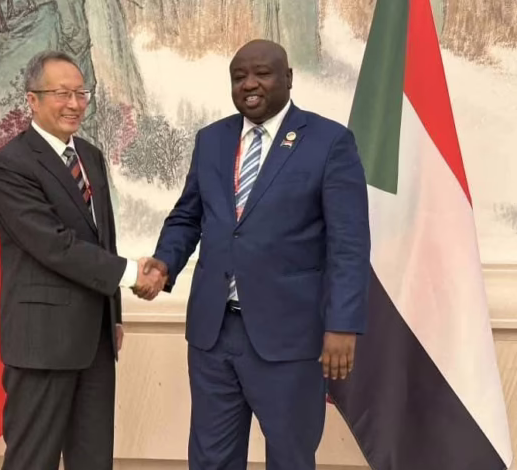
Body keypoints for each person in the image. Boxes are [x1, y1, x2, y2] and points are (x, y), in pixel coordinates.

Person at [141, 39, 371, 470]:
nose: (249, 84)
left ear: (288, 78)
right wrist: (165, 262)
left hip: (289, 337)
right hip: (213, 333)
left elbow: (349, 243)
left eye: (262, 73)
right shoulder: (211, 140)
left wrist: (343, 323)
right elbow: (188, 216)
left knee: (289, 457)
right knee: (211, 459)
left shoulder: (329, 142)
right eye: (239, 76)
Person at [0, 50, 155, 470]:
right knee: (33, 460)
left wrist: (114, 316)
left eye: (82, 93)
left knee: (93, 459)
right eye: (62, 94)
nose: (75, 104)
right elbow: (54, 246)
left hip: (95, 340)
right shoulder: (10, 165)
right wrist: (131, 274)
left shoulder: (90, 156)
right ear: (32, 99)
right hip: (42, 342)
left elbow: (102, 238)